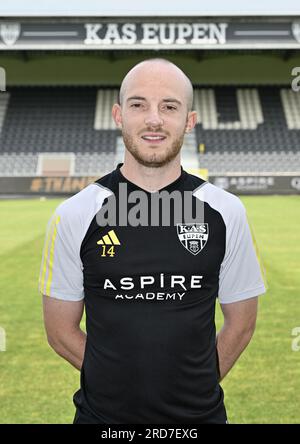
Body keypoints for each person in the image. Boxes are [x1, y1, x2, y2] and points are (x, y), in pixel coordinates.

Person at [39, 58, 266, 424]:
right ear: (118, 115)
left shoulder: (226, 211)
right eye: (139, 104)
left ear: (189, 120)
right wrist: (118, 383)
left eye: (169, 107)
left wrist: (190, 385)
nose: (154, 119)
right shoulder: (75, 214)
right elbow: (60, 331)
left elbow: (241, 324)